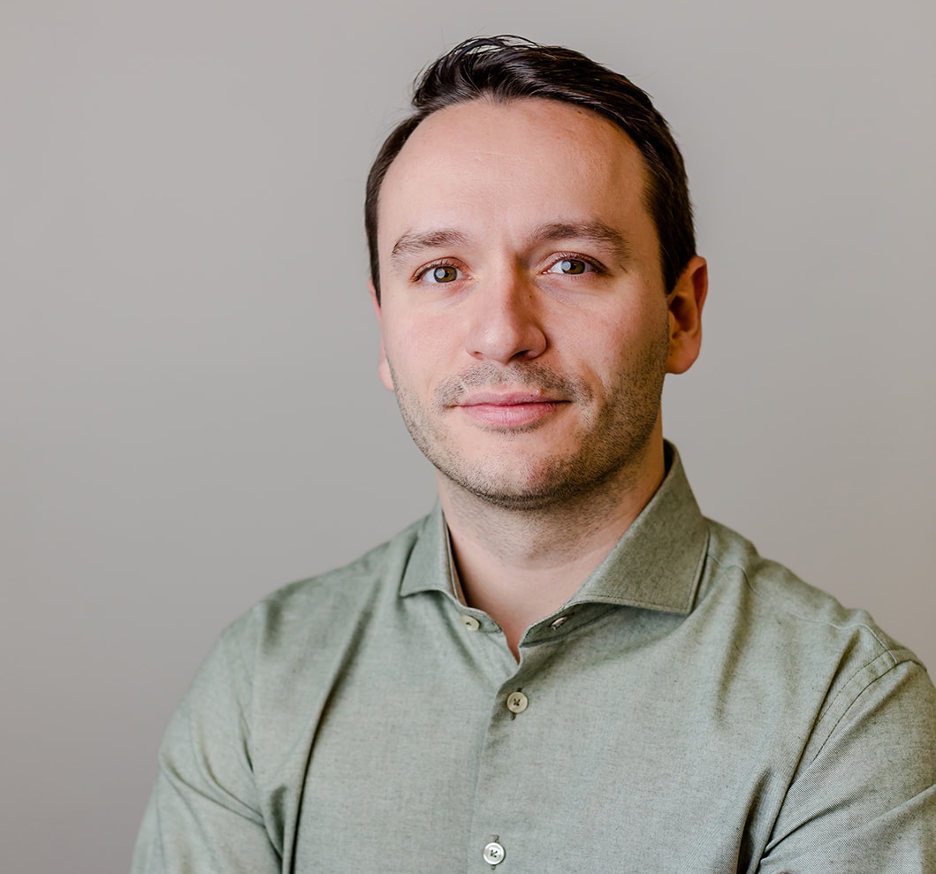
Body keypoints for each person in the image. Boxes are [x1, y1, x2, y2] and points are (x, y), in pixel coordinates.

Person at [131, 36, 936, 873]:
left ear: (681, 314)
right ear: (384, 328)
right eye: (441, 272)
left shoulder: (844, 711)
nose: (503, 333)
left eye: (571, 264)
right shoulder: (260, 682)